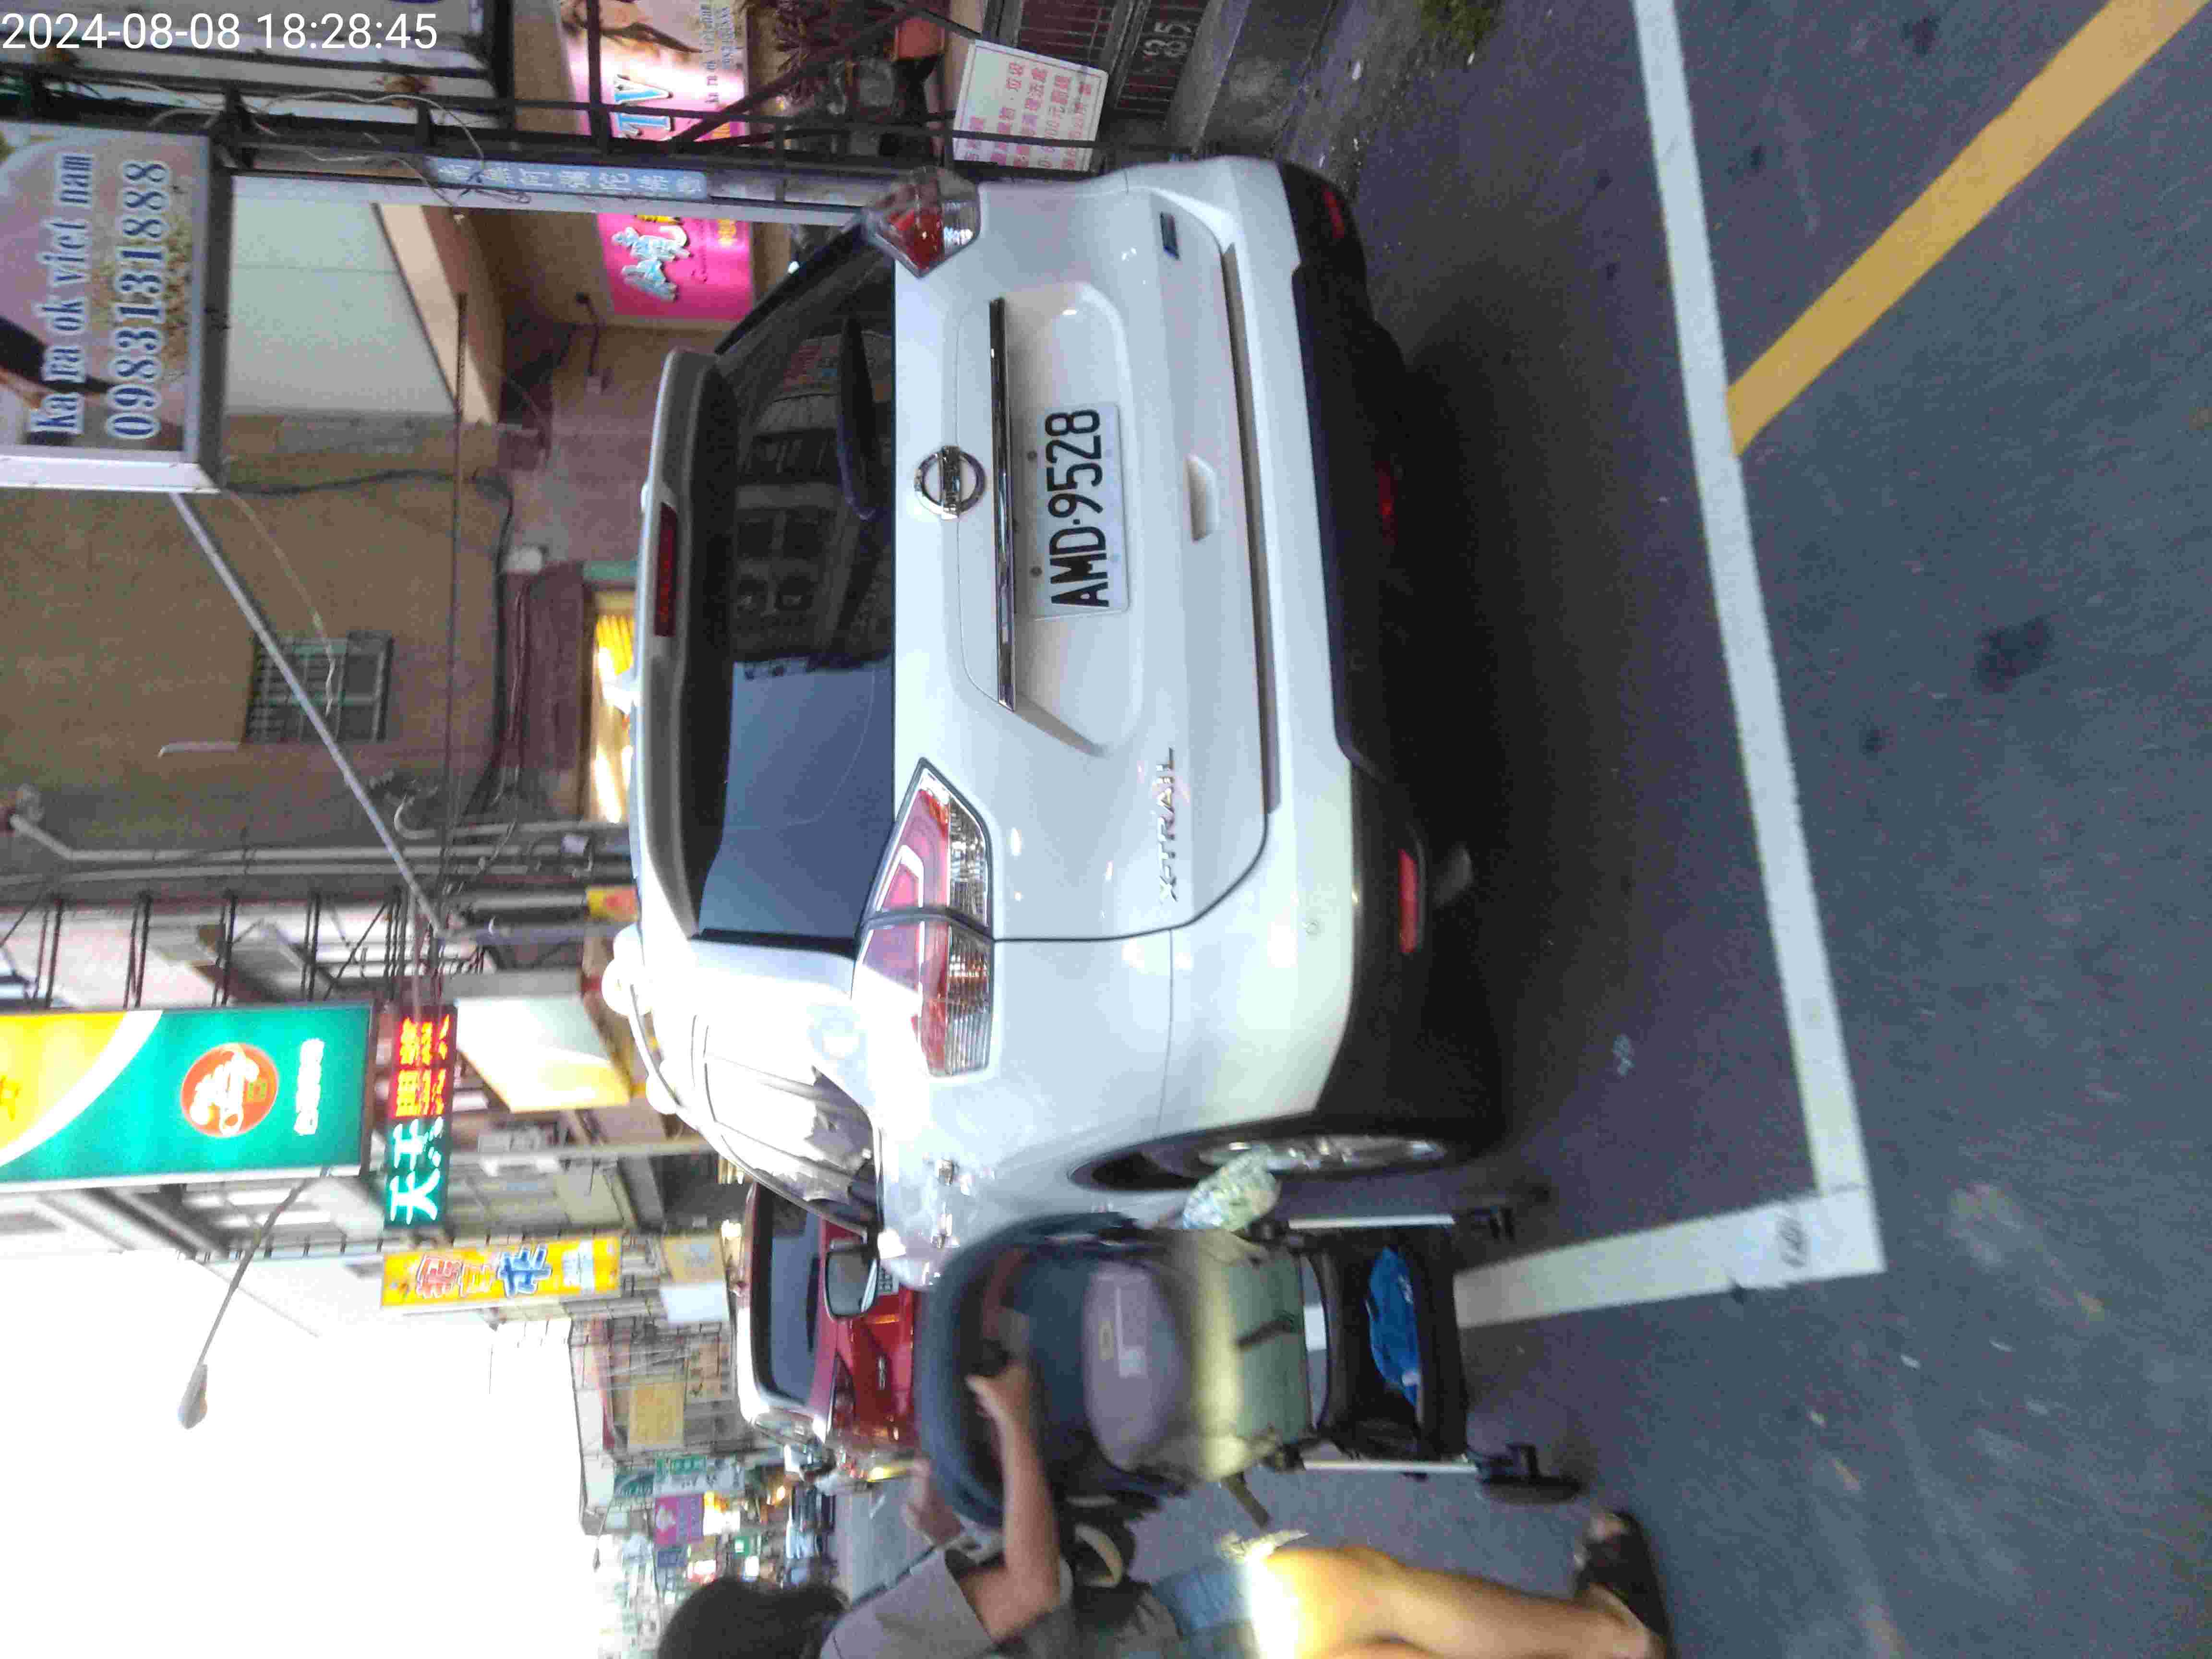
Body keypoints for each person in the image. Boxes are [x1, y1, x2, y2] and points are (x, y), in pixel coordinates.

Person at [659, 1362, 1672, 1659]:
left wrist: (944, 1541)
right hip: (1155, 1640)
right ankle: (1612, 1637)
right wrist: (1013, 1422)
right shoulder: (852, 1650)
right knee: (1367, 1592)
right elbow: (1032, 1585)